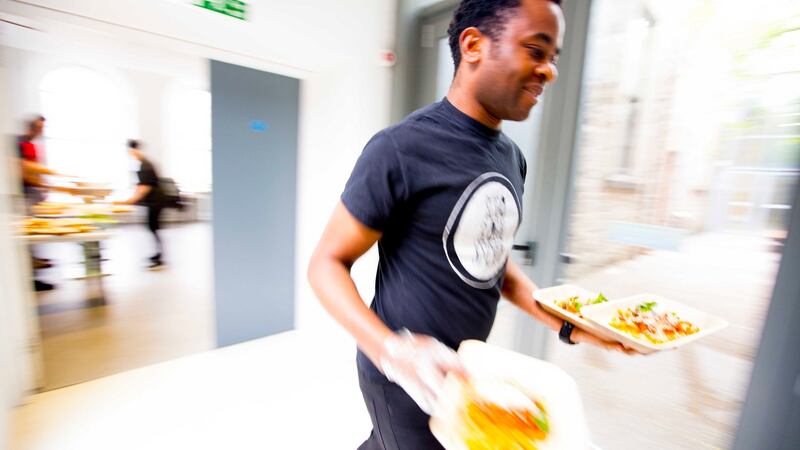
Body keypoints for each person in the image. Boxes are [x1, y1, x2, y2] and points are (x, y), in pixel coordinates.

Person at [307, 1, 635, 448]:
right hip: (403, 378)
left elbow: (494, 262)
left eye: (553, 58)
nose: (549, 71)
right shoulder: (400, 149)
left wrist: (567, 323)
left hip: (466, 369)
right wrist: (392, 352)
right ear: (474, 44)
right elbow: (326, 263)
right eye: (536, 51)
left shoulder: (511, 159)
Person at [116, 139, 166, 270]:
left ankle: (159, 257)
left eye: (130, 151)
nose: (130, 154)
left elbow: (145, 188)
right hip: (153, 201)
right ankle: (157, 255)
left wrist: (129, 201)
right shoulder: (142, 164)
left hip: (156, 201)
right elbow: (140, 186)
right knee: (152, 227)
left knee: (152, 227)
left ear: (134, 150)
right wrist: (131, 199)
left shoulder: (145, 165)